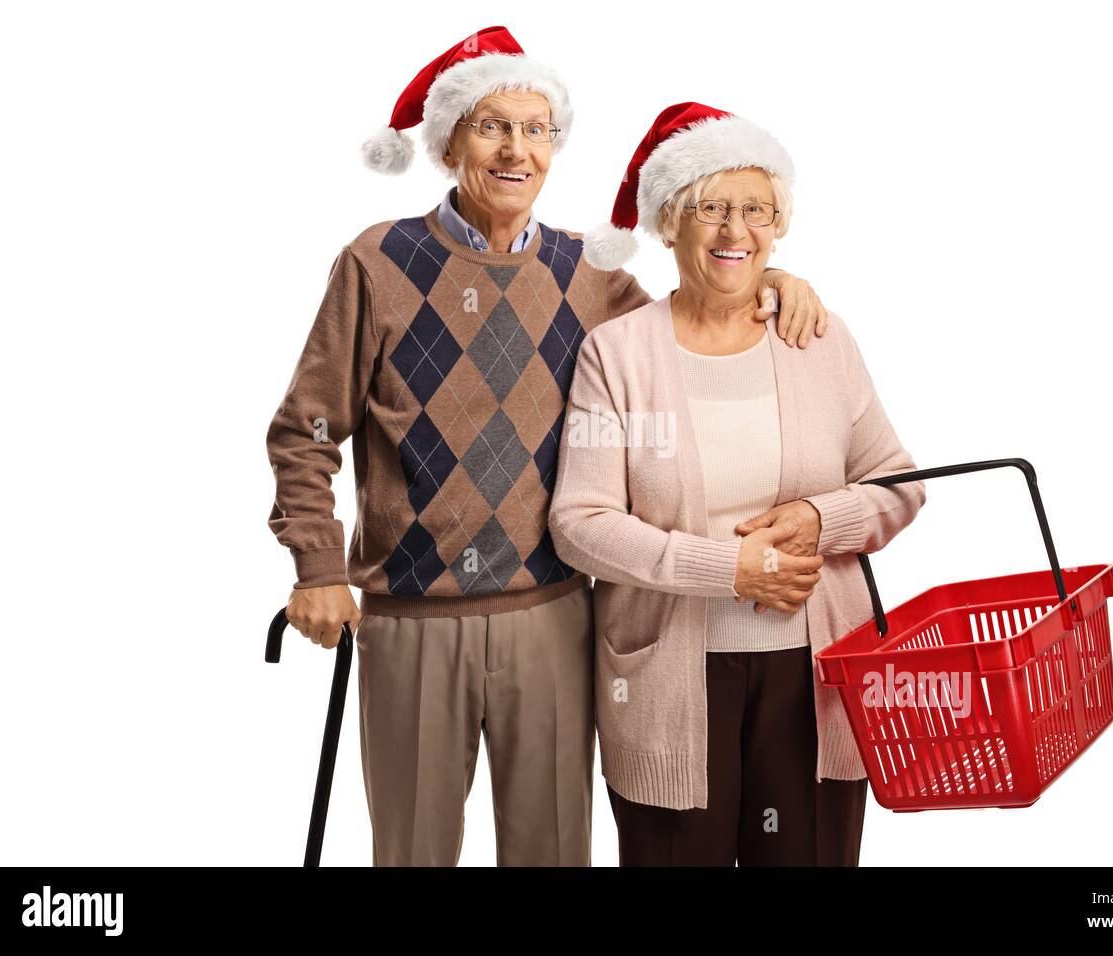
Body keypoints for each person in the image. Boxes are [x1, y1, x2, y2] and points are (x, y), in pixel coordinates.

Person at [265, 30, 830, 866]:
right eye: (492, 125)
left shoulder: (586, 275)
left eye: (536, 130)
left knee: (554, 854)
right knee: (412, 853)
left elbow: (692, 318)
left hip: (556, 615)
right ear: (450, 139)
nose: (515, 149)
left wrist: (780, 281)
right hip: (414, 618)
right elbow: (306, 429)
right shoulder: (378, 261)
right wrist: (317, 567)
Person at [549, 103, 927, 866]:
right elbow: (580, 523)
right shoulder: (616, 354)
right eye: (710, 209)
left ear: (778, 223)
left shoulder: (818, 337)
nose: (735, 232)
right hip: (668, 681)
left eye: (756, 210)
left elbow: (899, 484)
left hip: (816, 673)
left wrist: (824, 518)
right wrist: (728, 568)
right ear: (667, 223)